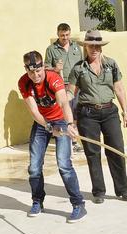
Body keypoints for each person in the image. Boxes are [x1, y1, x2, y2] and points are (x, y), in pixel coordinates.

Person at [17, 50, 86, 222]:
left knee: (64, 164)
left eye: (38, 71)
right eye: (31, 72)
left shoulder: (53, 78)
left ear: (43, 67)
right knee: (34, 167)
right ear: (26, 70)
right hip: (42, 122)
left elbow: (64, 102)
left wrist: (69, 124)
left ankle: (78, 204)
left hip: (61, 120)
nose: (36, 75)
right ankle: (37, 201)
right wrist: (48, 127)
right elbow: (33, 110)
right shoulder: (24, 83)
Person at [68, 30, 127, 204]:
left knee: (116, 149)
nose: (94, 49)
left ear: (101, 47)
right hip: (87, 114)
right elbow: (70, 94)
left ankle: (122, 189)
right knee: (92, 152)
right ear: (86, 47)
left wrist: (125, 112)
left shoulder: (111, 65)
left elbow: (119, 88)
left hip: (109, 112)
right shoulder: (78, 68)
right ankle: (99, 191)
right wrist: (67, 118)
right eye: (90, 45)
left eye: (97, 45)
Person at [44, 22, 83, 153]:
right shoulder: (51, 49)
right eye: (62, 35)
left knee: (76, 112)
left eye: (67, 35)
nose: (65, 38)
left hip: (77, 84)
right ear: (58, 34)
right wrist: (56, 69)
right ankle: (70, 141)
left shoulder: (76, 48)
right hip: (61, 85)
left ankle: (74, 140)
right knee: (66, 113)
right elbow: (46, 68)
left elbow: (82, 65)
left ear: (69, 34)